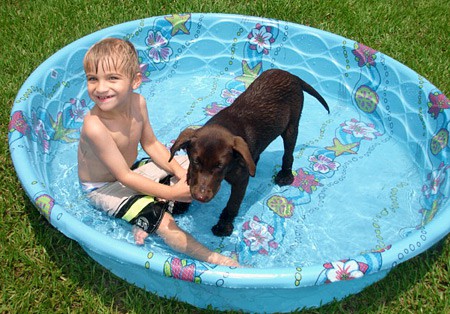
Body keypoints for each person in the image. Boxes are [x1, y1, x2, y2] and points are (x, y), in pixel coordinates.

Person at [77, 38, 239, 267]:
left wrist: (181, 174)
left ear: (135, 80)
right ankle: (215, 259)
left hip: (133, 170)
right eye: (93, 79)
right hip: (104, 187)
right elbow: (123, 177)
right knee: (165, 222)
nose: (101, 88)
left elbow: (151, 145)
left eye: (112, 78)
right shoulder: (95, 126)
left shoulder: (138, 103)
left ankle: (145, 214)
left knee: (193, 166)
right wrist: (172, 193)